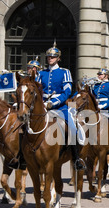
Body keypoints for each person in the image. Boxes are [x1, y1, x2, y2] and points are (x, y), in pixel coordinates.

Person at [38, 42, 85, 170]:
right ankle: (21, 156)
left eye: (53, 57)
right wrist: (41, 102)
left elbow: (67, 92)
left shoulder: (65, 72)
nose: (50, 59)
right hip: (42, 105)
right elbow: (36, 90)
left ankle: (76, 159)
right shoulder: (41, 73)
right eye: (48, 57)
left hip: (59, 107)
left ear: (58, 58)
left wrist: (53, 102)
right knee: (24, 126)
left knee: (72, 127)